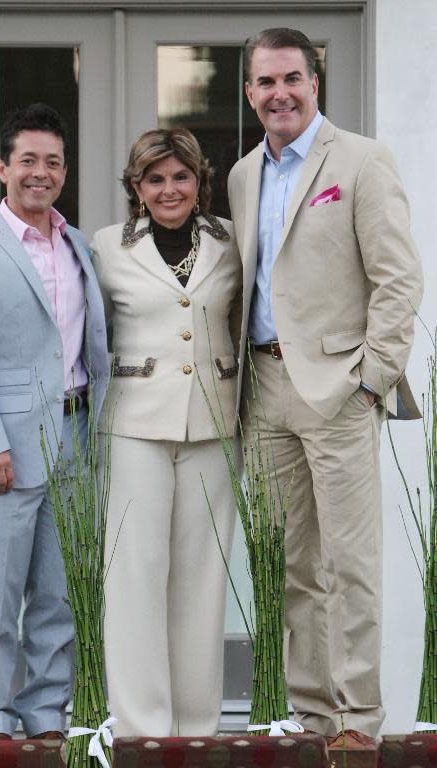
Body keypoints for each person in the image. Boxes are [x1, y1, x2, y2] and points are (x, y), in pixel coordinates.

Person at [228, 28, 423, 747]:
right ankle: (311, 715)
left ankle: (359, 721)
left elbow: (398, 281)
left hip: (338, 390)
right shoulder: (245, 174)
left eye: (291, 79)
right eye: (264, 83)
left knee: (350, 564)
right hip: (264, 390)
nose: (279, 93)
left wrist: (370, 383)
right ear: (249, 93)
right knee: (289, 566)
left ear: (315, 82)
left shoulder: (363, 161)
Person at [0, 103, 110, 741]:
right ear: (3, 168)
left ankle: (45, 714)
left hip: (75, 437)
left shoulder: (78, 244)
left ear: (65, 172)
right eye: (28, 160)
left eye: (53, 162)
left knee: (59, 597)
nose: (41, 172)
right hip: (5, 445)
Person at [92, 127, 241, 737]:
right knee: (134, 576)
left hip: (214, 424)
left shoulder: (230, 240)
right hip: (134, 427)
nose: (169, 188)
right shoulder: (104, 246)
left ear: (199, 181)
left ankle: (198, 727)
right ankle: (141, 728)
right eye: (155, 178)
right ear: (136, 187)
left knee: (204, 580)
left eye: (181, 176)